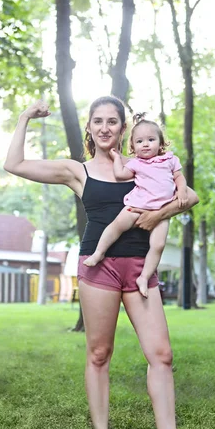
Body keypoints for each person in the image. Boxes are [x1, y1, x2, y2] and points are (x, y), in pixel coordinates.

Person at [4, 95, 215, 429]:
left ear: (124, 129)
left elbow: (191, 196)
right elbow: (14, 164)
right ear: (89, 127)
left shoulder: (145, 164)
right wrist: (24, 117)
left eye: (113, 121)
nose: (104, 127)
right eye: (97, 121)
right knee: (99, 354)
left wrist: (158, 215)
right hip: (98, 269)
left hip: (140, 269)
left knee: (161, 355)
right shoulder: (77, 171)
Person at [83, 113, 188, 299]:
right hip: (137, 205)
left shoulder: (170, 160)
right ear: (133, 147)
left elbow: (179, 177)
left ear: (161, 143)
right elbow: (120, 175)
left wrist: (181, 191)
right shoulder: (136, 164)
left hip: (161, 211)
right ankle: (99, 252)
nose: (145, 144)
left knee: (158, 245)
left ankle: (144, 277)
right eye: (140, 141)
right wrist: (116, 158)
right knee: (116, 226)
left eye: (151, 139)